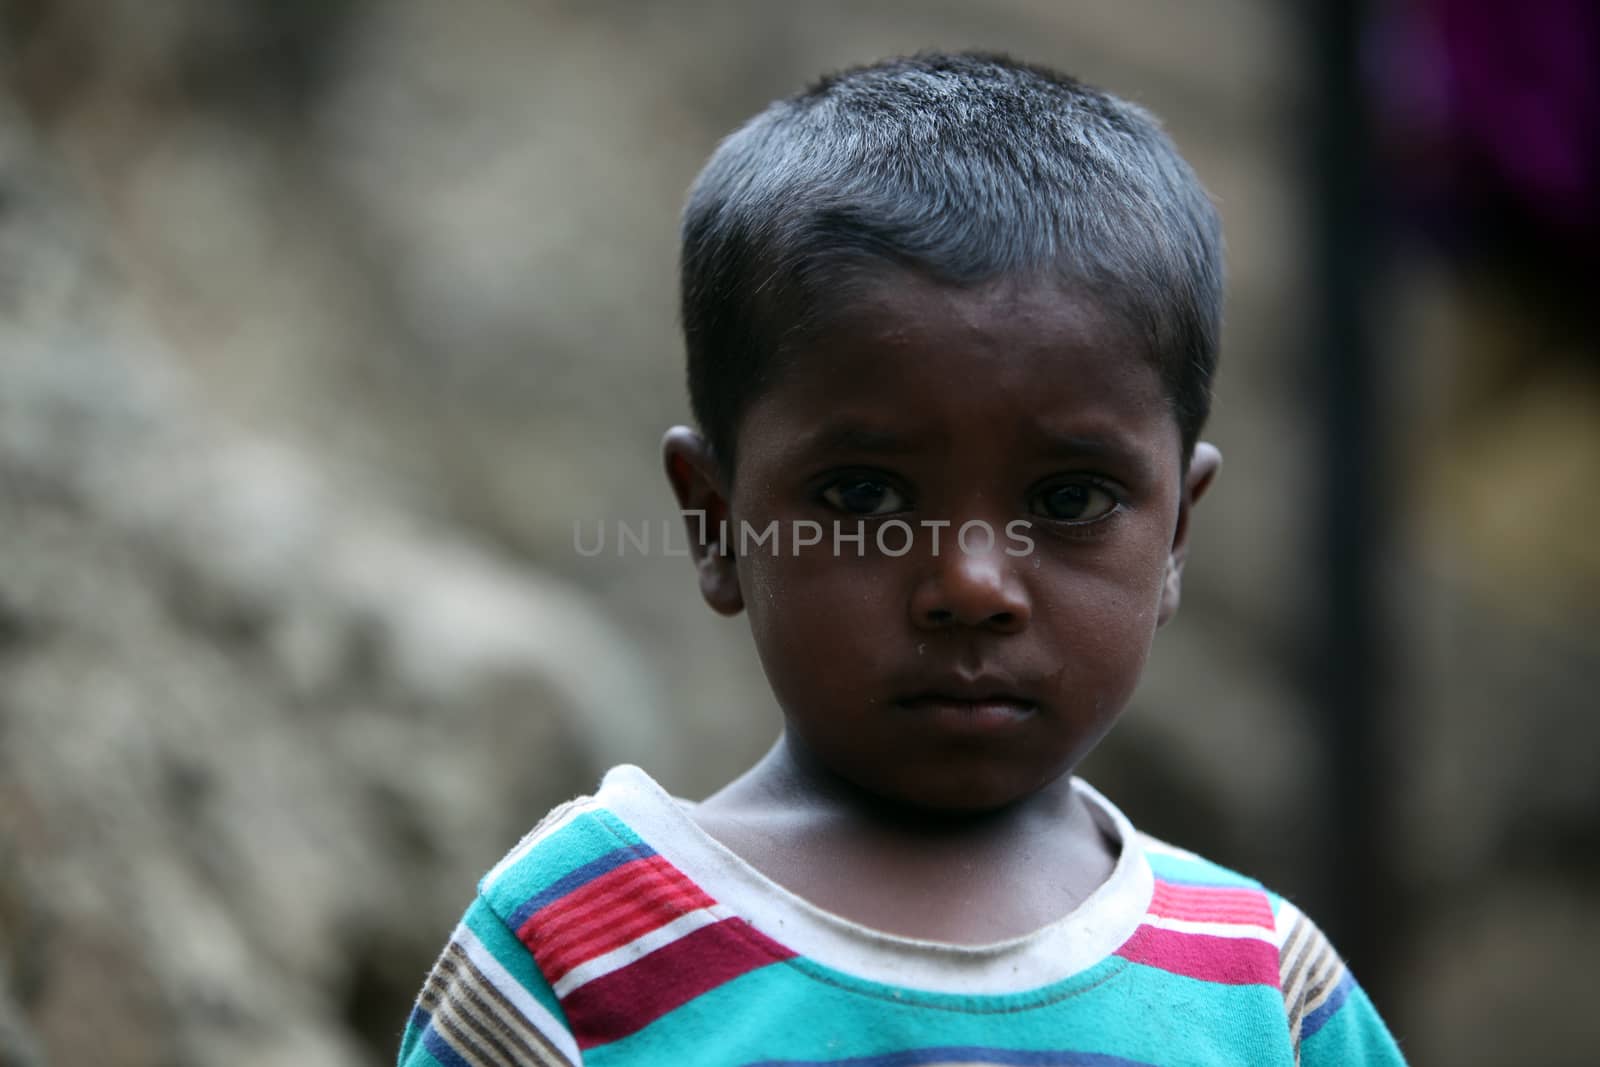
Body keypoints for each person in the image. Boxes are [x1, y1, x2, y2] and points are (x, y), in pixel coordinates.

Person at [397, 52, 1407, 1066]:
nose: (971, 585)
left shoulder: (1264, 988)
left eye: (1069, 499)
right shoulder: (574, 949)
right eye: (863, 494)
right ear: (715, 523)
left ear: (1176, 533)